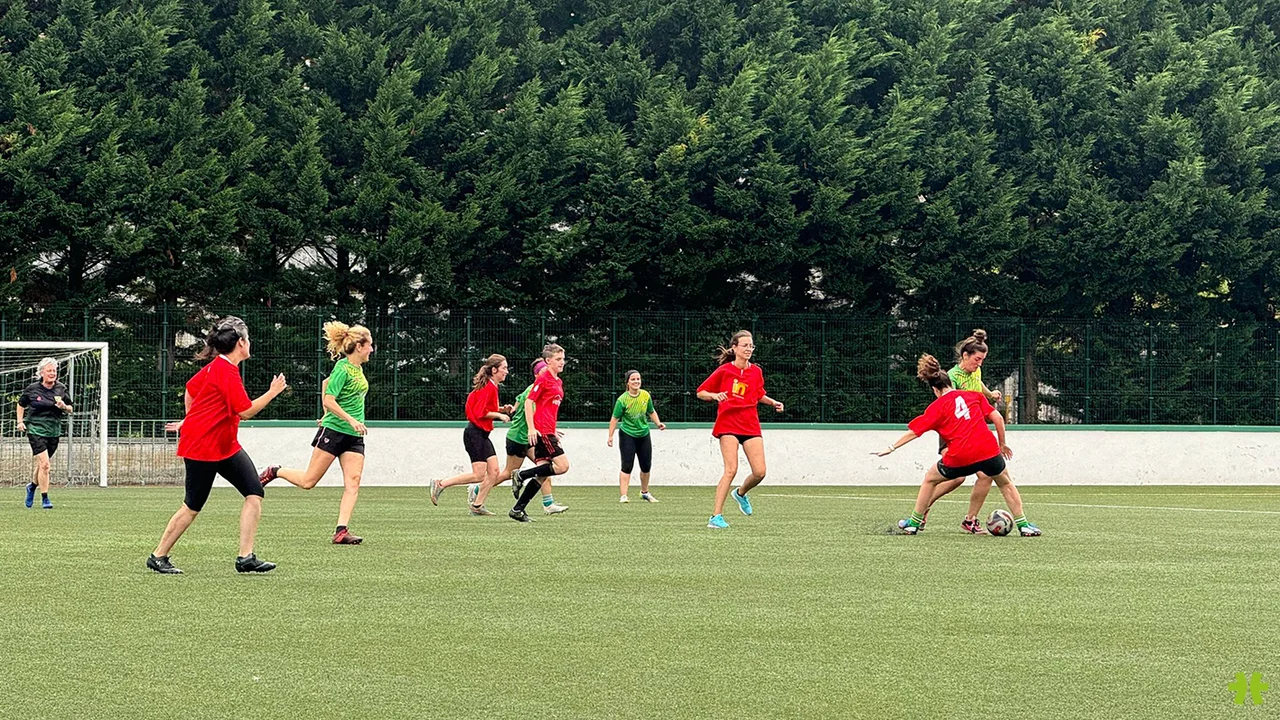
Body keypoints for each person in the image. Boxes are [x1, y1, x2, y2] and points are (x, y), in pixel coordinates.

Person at [148, 316, 288, 574]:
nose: (250, 343)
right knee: (192, 505)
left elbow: (191, 390)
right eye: (248, 339)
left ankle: (246, 557)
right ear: (241, 342)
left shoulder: (219, 366)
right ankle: (158, 556)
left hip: (225, 446)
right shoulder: (225, 371)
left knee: (254, 491)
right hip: (202, 447)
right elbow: (245, 411)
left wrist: (191, 419)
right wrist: (272, 392)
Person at [877, 353, 1041, 537]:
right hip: (988, 450)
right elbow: (998, 418)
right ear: (950, 383)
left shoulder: (936, 407)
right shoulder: (974, 396)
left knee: (930, 479)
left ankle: (913, 523)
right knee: (1005, 483)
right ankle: (1024, 526)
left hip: (960, 457)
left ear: (935, 390)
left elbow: (914, 432)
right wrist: (1002, 444)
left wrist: (891, 448)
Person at [259, 322, 373, 545]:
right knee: (308, 481)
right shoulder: (343, 368)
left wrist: (334, 415)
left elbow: (325, 383)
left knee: (354, 481)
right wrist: (345, 418)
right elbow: (330, 398)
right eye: (369, 345)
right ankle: (275, 471)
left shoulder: (357, 369)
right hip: (334, 431)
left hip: (354, 436)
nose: (372, 349)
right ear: (359, 346)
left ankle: (341, 531)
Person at [917, 329, 1006, 533]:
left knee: (986, 475)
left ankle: (970, 520)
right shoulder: (951, 376)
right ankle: (923, 509)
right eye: (977, 359)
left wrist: (990, 394)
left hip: (972, 431)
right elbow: (946, 404)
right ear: (965, 356)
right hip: (953, 431)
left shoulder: (975, 370)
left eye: (982, 360)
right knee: (957, 477)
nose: (979, 364)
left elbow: (977, 384)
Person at [696, 330, 784, 529]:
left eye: (751, 346)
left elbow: (758, 394)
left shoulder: (756, 372)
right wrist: (715, 395)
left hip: (750, 424)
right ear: (734, 348)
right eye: (745, 345)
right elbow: (701, 392)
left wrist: (773, 402)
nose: (748, 349)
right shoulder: (724, 371)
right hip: (728, 423)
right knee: (731, 469)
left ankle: (740, 493)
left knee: (760, 472)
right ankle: (715, 517)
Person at [468, 359, 565, 515]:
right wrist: (540, 429)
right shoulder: (535, 389)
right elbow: (530, 411)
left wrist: (509, 410)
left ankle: (548, 503)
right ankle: (478, 488)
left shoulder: (536, 388)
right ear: (537, 373)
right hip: (520, 437)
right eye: (544, 369)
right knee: (510, 473)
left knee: (544, 467)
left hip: (529, 437)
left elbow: (517, 406)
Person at [430, 354, 513, 513]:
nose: (506, 371)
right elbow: (481, 412)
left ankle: (477, 506)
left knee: (494, 472)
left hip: (482, 434)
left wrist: (502, 409)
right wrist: (499, 415)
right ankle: (440, 484)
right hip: (474, 433)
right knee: (479, 475)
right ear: (494, 370)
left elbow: (484, 408)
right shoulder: (488, 387)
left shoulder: (492, 386)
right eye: (504, 368)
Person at [509, 344, 571, 522]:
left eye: (563, 359)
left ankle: (517, 509)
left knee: (543, 475)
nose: (562, 362)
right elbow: (529, 402)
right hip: (542, 431)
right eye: (558, 359)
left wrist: (554, 429)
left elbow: (549, 408)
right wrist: (531, 428)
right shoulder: (544, 378)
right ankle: (521, 475)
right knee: (563, 466)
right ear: (548, 361)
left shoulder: (557, 381)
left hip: (548, 430)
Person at [18, 358, 72, 509]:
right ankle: (45, 499)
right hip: (35, 429)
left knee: (43, 465)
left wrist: (64, 406)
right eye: (49, 370)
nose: (52, 373)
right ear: (42, 373)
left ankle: (31, 487)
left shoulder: (61, 388)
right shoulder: (32, 389)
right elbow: (20, 404)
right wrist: (20, 422)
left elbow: (70, 408)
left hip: (53, 430)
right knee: (46, 465)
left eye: (54, 370)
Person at [607, 370, 665, 503]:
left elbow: (651, 411)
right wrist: (610, 436)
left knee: (646, 466)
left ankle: (644, 492)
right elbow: (615, 418)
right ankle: (624, 495)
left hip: (644, 434)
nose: (636, 381)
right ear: (627, 382)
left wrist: (658, 423)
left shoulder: (645, 395)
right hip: (627, 435)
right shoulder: (622, 400)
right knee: (627, 465)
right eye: (633, 379)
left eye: (638, 379)